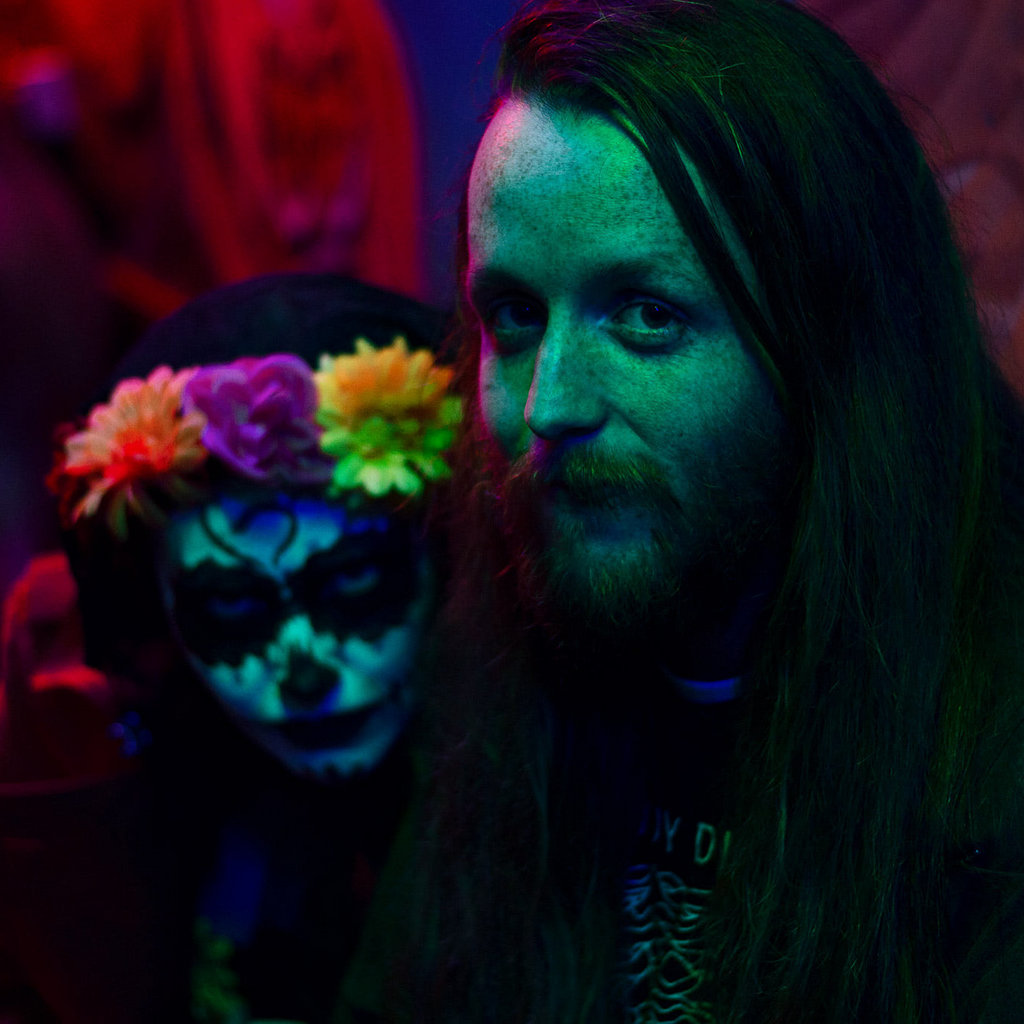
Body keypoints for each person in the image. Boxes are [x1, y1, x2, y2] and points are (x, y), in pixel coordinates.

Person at [396, 1, 1024, 1022]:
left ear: (831, 346)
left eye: (647, 315)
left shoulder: (990, 752)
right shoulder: (495, 677)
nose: (551, 404)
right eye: (514, 315)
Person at [0, 273, 458, 1023]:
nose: (304, 671)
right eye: (232, 609)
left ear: (448, 556)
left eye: (354, 585)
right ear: (158, 615)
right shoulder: (102, 762)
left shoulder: (566, 790)